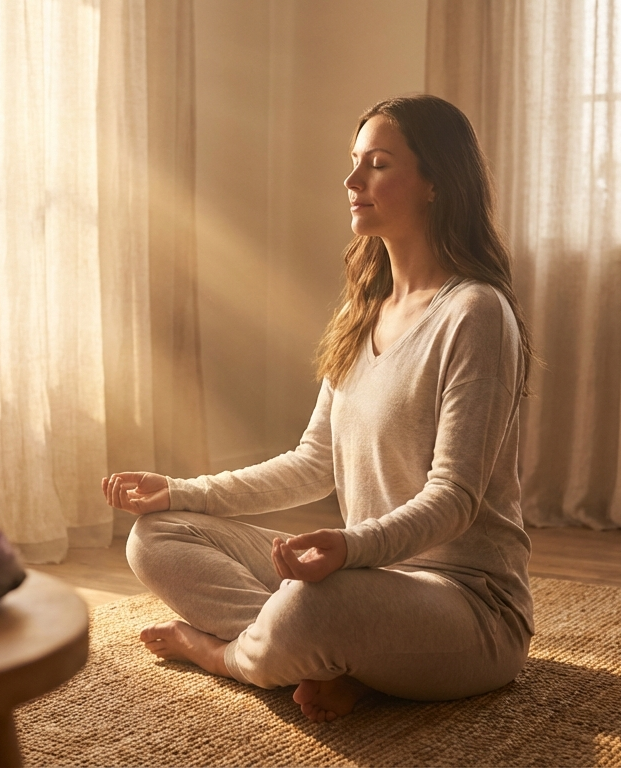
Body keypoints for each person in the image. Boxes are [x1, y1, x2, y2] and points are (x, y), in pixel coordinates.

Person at [101, 94, 536, 724]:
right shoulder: (363, 311)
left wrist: (348, 548)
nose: (351, 181)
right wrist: (175, 491)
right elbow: (313, 462)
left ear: (437, 182)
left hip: (469, 607)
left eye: (378, 164)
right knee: (157, 537)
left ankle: (227, 655)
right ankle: (324, 658)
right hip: (363, 580)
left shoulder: (475, 313)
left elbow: (455, 498)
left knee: (312, 606)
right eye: (354, 162)